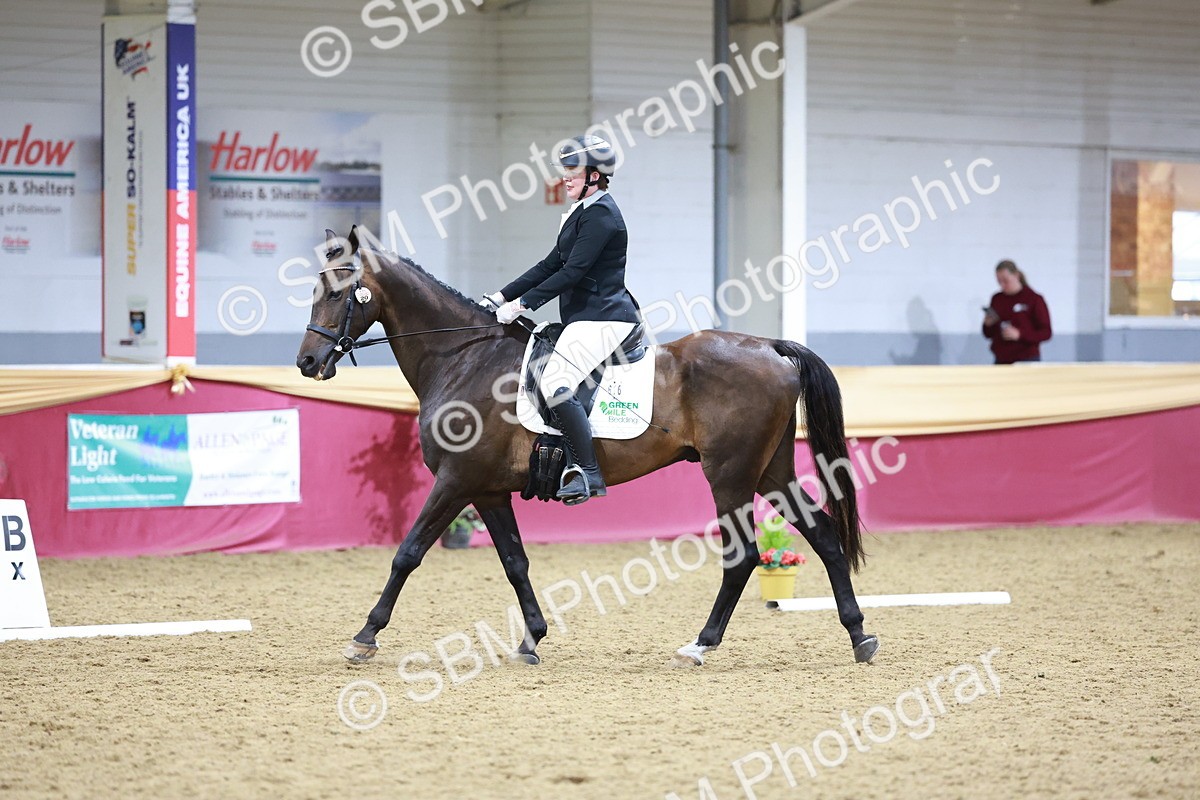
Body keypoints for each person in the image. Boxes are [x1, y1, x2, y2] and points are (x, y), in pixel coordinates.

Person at [484, 134, 641, 505]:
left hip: (604, 319)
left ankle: (588, 472)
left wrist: (522, 305)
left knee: (556, 383)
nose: (565, 177)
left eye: (572, 170)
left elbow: (572, 273)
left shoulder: (602, 216)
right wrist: (503, 295)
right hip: (583, 319)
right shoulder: (582, 212)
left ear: (594, 175)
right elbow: (550, 264)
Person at [982, 259, 1052, 364]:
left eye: (1006, 281)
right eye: (999, 281)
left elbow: (1046, 332)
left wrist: (1020, 334)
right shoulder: (997, 299)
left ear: (1016, 275)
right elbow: (988, 334)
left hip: (1026, 358)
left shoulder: (1034, 299)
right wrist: (987, 324)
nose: (1002, 285)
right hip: (1001, 359)